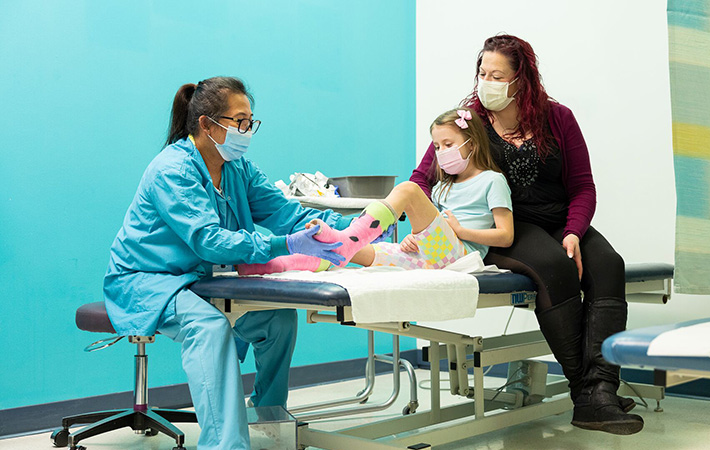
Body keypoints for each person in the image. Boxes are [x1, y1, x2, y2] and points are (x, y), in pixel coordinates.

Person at [410, 35, 644, 435]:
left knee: (608, 264)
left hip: (558, 220)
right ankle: (587, 394)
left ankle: (600, 389)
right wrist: (412, 221)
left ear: (522, 79)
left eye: (497, 75)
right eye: (482, 72)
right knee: (554, 267)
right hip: (507, 225)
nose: (486, 82)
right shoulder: (471, 121)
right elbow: (423, 177)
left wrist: (573, 232)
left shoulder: (558, 118)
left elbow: (583, 186)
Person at [103, 76, 351, 450]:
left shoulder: (239, 169)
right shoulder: (172, 169)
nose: (247, 130)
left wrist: (358, 231)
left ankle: (268, 417)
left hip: (200, 280)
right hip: (146, 280)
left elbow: (288, 214)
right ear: (206, 124)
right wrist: (283, 245)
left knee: (278, 318)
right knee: (208, 325)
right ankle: (224, 444)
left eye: (250, 121)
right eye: (239, 121)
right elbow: (209, 241)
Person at [237, 107, 513, 275]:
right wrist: (412, 241)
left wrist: (462, 232)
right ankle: (276, 264)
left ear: (472, 143)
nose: (440, 153)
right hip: (431, 255)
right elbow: (432, 229)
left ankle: (348, 236)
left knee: (409, 190)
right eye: (437, 147)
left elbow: (505, 235)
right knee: (358, 252)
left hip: (461, 256)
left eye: (448, 144)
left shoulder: (491, 181)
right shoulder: (443, 187)